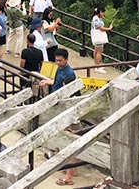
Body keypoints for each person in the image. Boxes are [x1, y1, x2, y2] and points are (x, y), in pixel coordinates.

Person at [39, 49, 78, 186]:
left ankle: (68, 176)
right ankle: (72, 170)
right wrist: (47, 82)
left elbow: (68, 93)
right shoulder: (59, 69)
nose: (58, 62)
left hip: (65, 109)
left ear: (66, 60)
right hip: (57, 106)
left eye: (60, 60)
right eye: (56, 60)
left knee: (67, 141)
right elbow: (56, 83)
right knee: (65, 139)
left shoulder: (69, 73)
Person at [91, 5, 113, 73]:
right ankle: (98, 67)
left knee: (96, 50)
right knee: (99, 51)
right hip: (98, 36)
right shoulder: (96, 18)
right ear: (100, 12)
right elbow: (100, 28)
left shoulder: (96, 18)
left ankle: (96, 65)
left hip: (97, 36)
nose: (103, 14)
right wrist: (109, 28)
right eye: (103, 12)